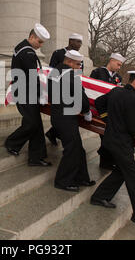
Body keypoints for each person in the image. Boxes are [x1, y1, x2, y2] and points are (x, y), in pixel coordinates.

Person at [90, 71, 135, 231]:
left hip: (111, 139)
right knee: (133, 177)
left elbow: (100, 102)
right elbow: (133, 125)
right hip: (122, 143)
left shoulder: (116, 91)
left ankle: (99, 197)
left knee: (121, 171)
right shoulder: (134, 99)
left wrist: (107, 119)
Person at [5, 24, 52, 167]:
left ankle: (36, 157)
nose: (41, 45)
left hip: (26, 92)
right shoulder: (27, 52)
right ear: (32, 37)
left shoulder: (24, 48)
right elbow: (33, 77)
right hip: (25, 93)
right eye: (39, 41)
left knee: (36, 124)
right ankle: (11, 142)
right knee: (32, 124)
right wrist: (42, 94)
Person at [48, 50, 95, 192]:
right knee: (72, 150)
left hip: (58, 115)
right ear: (68, 62)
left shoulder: (55, 72)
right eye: (77, 64)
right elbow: (80, 96)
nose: (79, 67)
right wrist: (87, 111)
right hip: (66, 117)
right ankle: (63, 181)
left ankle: (81, 177)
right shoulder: (69, 74)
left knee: (78, 149)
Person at [45, 33, 84, 146]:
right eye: (77, 41)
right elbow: (52, 71)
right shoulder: (58, 53)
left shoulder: (78, 57)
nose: (79, 44)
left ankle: (53, 133)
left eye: (80, 42)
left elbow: (78, 74)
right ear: (70, 41)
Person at [90, 53, 126, 170]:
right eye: (118, 64)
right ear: (111, 61)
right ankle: (106, 161)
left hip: (111, 110)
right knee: (105, 136)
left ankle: (106, 161)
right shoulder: (98, 72)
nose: (119, 67)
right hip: (99, 108)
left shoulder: (118, 78)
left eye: (121, 65)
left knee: (107, 136)